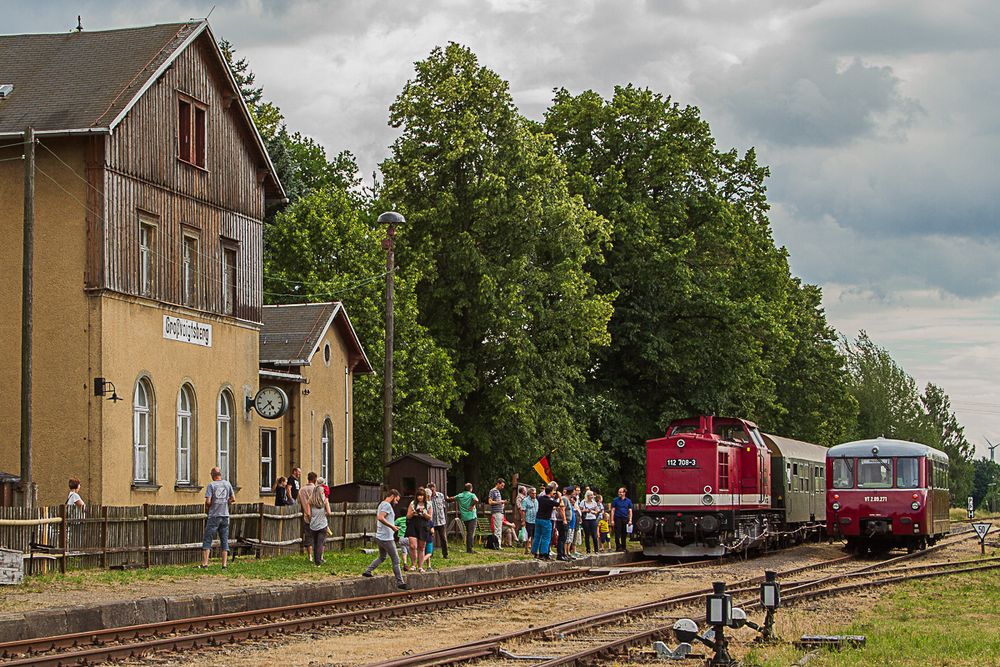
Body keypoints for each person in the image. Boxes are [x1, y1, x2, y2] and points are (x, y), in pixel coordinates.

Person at [363, 488, 409, 589]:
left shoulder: (381, 504)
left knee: (382, 557)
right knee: (396, 560)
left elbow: (384, 519)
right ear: (392, 496)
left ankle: (368, 571)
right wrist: (392, 527)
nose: (396, 503)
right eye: (396, 500)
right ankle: (400, 582)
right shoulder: (386, 505)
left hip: (381, 536)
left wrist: (393, 526)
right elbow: (380, 517)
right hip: (386, 538)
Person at [200, 467, 235, 568]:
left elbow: (208, 501)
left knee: (208, 539)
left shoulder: (211, 485)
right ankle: (224, 565)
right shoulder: (227, 484)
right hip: (225, 515)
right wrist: (225, 502)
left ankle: (205, 563)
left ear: (212, 475)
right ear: (220, 474)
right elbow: (233, 498)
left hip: (214, 515)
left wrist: (209, 506)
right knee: (224, 539)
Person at [304, 477, 332, 566]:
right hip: (323, 524)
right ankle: (318, 561)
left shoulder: (310, 501)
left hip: (313, 525)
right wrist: (324, 513)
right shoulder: (325, 500)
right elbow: (329, 512)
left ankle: (316, 560)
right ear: (322, 492)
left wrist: (311, 518)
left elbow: (307, 513)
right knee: (320, 543)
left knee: (315, 543)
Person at [406, 487, 434, 571]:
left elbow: (430, 517)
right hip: (413, 524)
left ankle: (420, 566)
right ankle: (413, 564)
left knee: (421, 547)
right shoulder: (412, 503)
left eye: (421, 496)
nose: (420, 497)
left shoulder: (428, 504)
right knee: (412, 545)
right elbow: (407, 516)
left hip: (423, 524)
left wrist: (424, 513)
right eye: (418, 496)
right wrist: (413, 513)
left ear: (424, 496)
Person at [449, 483, 479, 553]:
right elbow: (476, 500)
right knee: (471, 533)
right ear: (471, 489)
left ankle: (469, 548)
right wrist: (472, 506)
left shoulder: (460, 495)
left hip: (464, 517)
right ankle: (470, 549)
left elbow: (451, 499)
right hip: (472, 516)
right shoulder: (472, 495)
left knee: (468, 532)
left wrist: (447, 497)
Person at [532, 482, 559, 560]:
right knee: (546, 537)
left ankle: (534, 551)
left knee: (537, 536)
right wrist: (559, 497)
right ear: (550, 492)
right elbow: (559, 504)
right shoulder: (549, 501)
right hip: (546, 520)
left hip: (538, 519)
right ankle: (543, 553)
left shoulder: (539, 498)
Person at [298, 472, 318, 559]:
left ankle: (310, 556)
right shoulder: (316, 489)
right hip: (316, 516)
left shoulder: (302, 490)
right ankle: (318, 555)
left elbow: (299, 502)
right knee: (319, 536)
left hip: (306, 516)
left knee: (308, 536)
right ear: (315, 479)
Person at [427, 481, 449, 559]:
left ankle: (445, 554)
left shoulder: (440, 495)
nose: (432, 489)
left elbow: (443, 506)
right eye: (430, 487)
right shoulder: (427, 498)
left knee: (443, 538)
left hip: (441, 521)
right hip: (431, 522)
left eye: (433, 487)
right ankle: (430, 554)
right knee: (430, 538)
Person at [610, 487, 634, 552]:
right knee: (617, 533)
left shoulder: (628, 501)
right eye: (619, 492)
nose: (619, 493)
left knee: (624, 534)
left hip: (625, 518)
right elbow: (612, 510)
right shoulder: (615, 500)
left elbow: (630, 511)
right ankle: (618, 547)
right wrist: (612, 520)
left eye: (621, 492)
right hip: (617, 518)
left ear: (624, 493)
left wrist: (630, 520)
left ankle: (624, 547)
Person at [556, 486, 573, 561]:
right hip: (562, 521)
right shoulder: (564, 499)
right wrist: (564, 520)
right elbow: (562, 509)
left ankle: (563, 554)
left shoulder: (567, 499)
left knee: (564, 538)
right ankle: (560, 554)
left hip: (566, 521)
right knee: (562, 538)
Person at [489, 478, 506, 549]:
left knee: (499, 529)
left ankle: (498, 544)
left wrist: (502, 503)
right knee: (497, 529)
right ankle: (496, 545)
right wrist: (500, 502)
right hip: (496, 512)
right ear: (498, 484)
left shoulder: (498, 492)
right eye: (502, 485)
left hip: (500, 511)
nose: (503, 487)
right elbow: (490, 502)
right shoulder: (493, 491)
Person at [521, 487, 538, 554]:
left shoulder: (536, 501)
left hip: (535, 520)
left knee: (534, 535)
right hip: (528, 520)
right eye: (533, 493)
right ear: (529, 493)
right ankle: (526, 548)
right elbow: (523, 511)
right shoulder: (525, 500)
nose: (534, 495)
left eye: (535, 493)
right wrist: (523, 520)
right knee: (528, 535)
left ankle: (533, 549)